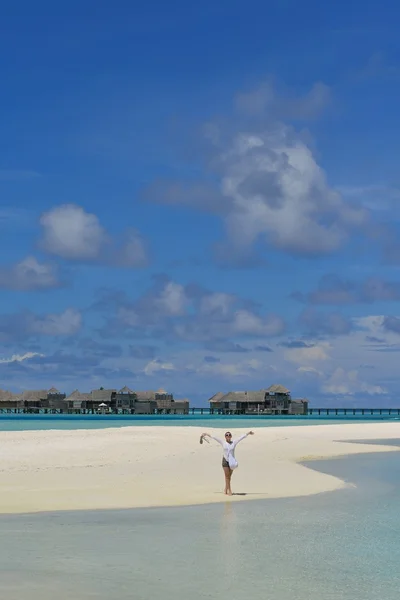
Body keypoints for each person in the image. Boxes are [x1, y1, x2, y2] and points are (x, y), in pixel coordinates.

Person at [201, 431, 254, 495]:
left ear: (231, 436)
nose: (228, 436)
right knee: (227, 477)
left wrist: (248, 433)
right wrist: (206, 434)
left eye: (229, 435)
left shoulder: (234, 442)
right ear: (225, 437)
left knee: (229, 477)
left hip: (232, 462)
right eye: (227, 435)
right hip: (225, 461)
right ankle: (229, 490)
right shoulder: (223, 442)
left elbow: (241, 437)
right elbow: (214, 437)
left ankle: (225, 489)